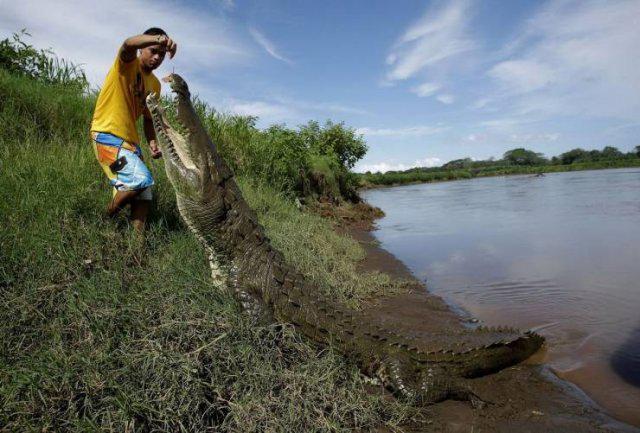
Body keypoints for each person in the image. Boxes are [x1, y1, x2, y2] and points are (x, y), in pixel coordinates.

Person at [90, 27, 177, 232]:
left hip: (131, 143)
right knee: (139, 180)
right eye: (153, 51)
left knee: (144, 195)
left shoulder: (155, 85)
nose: (157, 57)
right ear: (142, 49)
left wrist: (152, 143)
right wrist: (158, 39)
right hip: (107, 134)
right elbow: (128, 43)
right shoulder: (126, 64)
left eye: (162, 55)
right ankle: (102, 223)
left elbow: (148, 118)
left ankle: (136, 250)